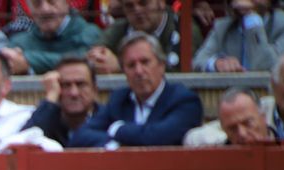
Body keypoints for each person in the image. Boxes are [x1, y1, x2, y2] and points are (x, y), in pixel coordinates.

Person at [70, 32, 203, 148]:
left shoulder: (184, 100)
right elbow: (81, 136)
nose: (138, 71)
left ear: (161, 66)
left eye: (145, 62)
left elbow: (159, 138)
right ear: (124, 71)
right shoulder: (119, 99)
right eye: (131, 65)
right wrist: (114, 144)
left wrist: (117, 129)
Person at [88, 0, 202, 74]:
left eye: (143, 3)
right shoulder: (119, 27)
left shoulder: (185, 28)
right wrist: (98, 58)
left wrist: (121, 67)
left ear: (161, 3)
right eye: (129, 6)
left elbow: (176, 73)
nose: (137, 10)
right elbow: (94, 54)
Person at [4, 0, 100, 75]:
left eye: (52, 1)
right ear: (29, 8)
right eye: (37, 3)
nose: (45, 9)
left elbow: (87, 60)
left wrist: (29, 61)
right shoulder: (19, 42)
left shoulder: (89, 33)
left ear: (66, 2)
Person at [192, 0, 284, 73]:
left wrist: (252, 19)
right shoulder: (223, 26)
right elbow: (198, 61)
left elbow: (265, 66)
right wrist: (217, 63)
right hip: (231, 96)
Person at [21, 55, 99, 146]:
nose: (74, 93)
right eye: (65, 85)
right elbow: (24, 142)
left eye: (81, 84)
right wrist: (51, 96)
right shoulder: (47, 119)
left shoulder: (107, 119)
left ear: (94, 90)